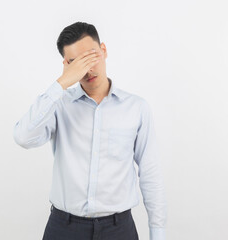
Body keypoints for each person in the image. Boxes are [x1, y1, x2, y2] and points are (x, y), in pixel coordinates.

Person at [13, 21, 167, 240]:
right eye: (77, 62)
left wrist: (157, 233)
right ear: (67, 64)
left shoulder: (136, 108)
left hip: (119, 229)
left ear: (103, 50)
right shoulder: (58, 105)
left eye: (91, 56)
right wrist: (63, 82)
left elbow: (151, 174)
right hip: (64, 228)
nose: (88, 69)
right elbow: (23, 137)